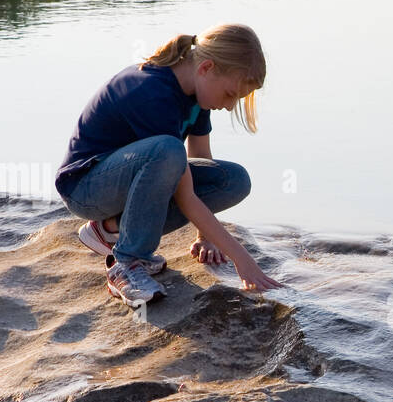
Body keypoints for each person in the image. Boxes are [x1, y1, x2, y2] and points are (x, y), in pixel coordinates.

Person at [54, 23, 283, 306]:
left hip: (128, 180)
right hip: (86, 188)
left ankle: (111, 229)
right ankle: (125, 264)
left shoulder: (196, 95)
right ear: (206, 68)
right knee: (168, 150)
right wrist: (243, 261)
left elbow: (200, 161)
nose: (229, 106)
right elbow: (184, 194)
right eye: (230, 94)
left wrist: (206, 238)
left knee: (233, 180)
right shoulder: (152, 92)